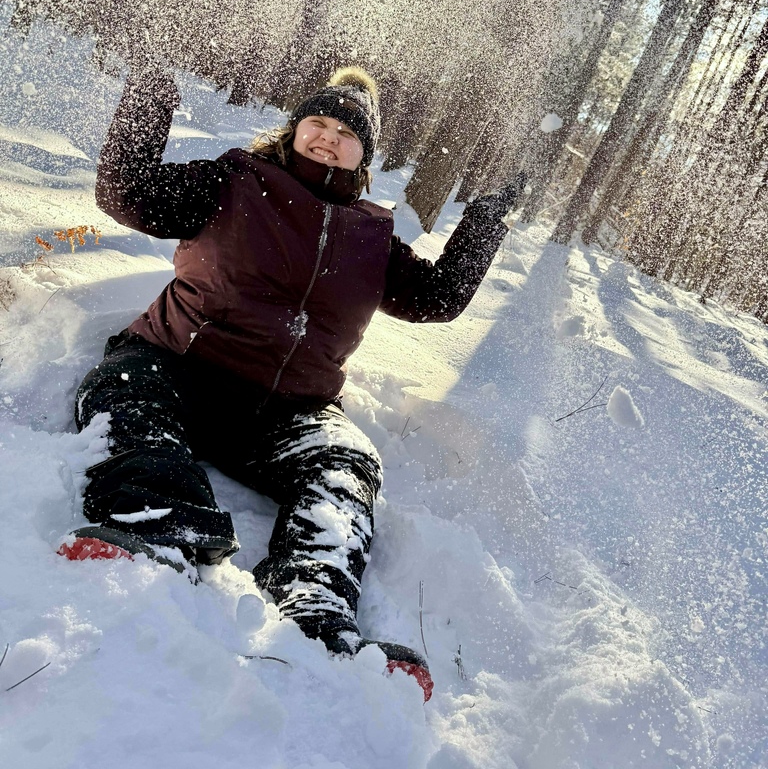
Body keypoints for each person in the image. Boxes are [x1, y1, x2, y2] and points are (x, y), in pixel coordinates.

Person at [60, 64, 524, 700]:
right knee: (126, 392)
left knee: (345, 463)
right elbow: (130, 193)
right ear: (295, 128)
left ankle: (315, 603)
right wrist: (152, 84)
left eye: (347, 131)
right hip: (181, 365)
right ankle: (157, 524)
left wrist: (490, 215)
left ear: (365, 154)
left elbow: (438, 297)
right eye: (318, 121)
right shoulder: (237, 179)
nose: (328, 136)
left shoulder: (373, 234)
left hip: (287, 412)